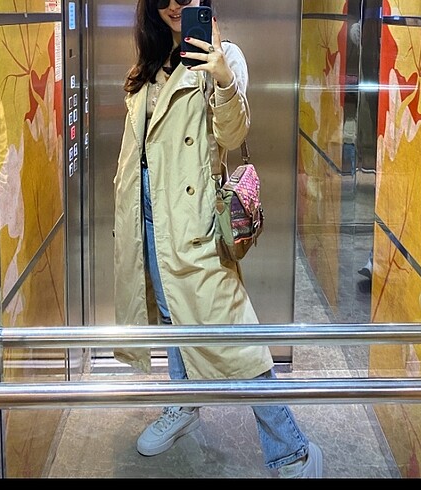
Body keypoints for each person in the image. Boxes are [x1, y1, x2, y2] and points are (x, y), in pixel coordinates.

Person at [112, 0, 323, 478]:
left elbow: (232, 134)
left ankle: (293, 451)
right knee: (173, 317)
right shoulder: (149, 64)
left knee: (234, 338)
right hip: (146, 216)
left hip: (194, 223)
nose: (173, 5)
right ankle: (184, 404)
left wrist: (224, 78)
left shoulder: (225, 57)